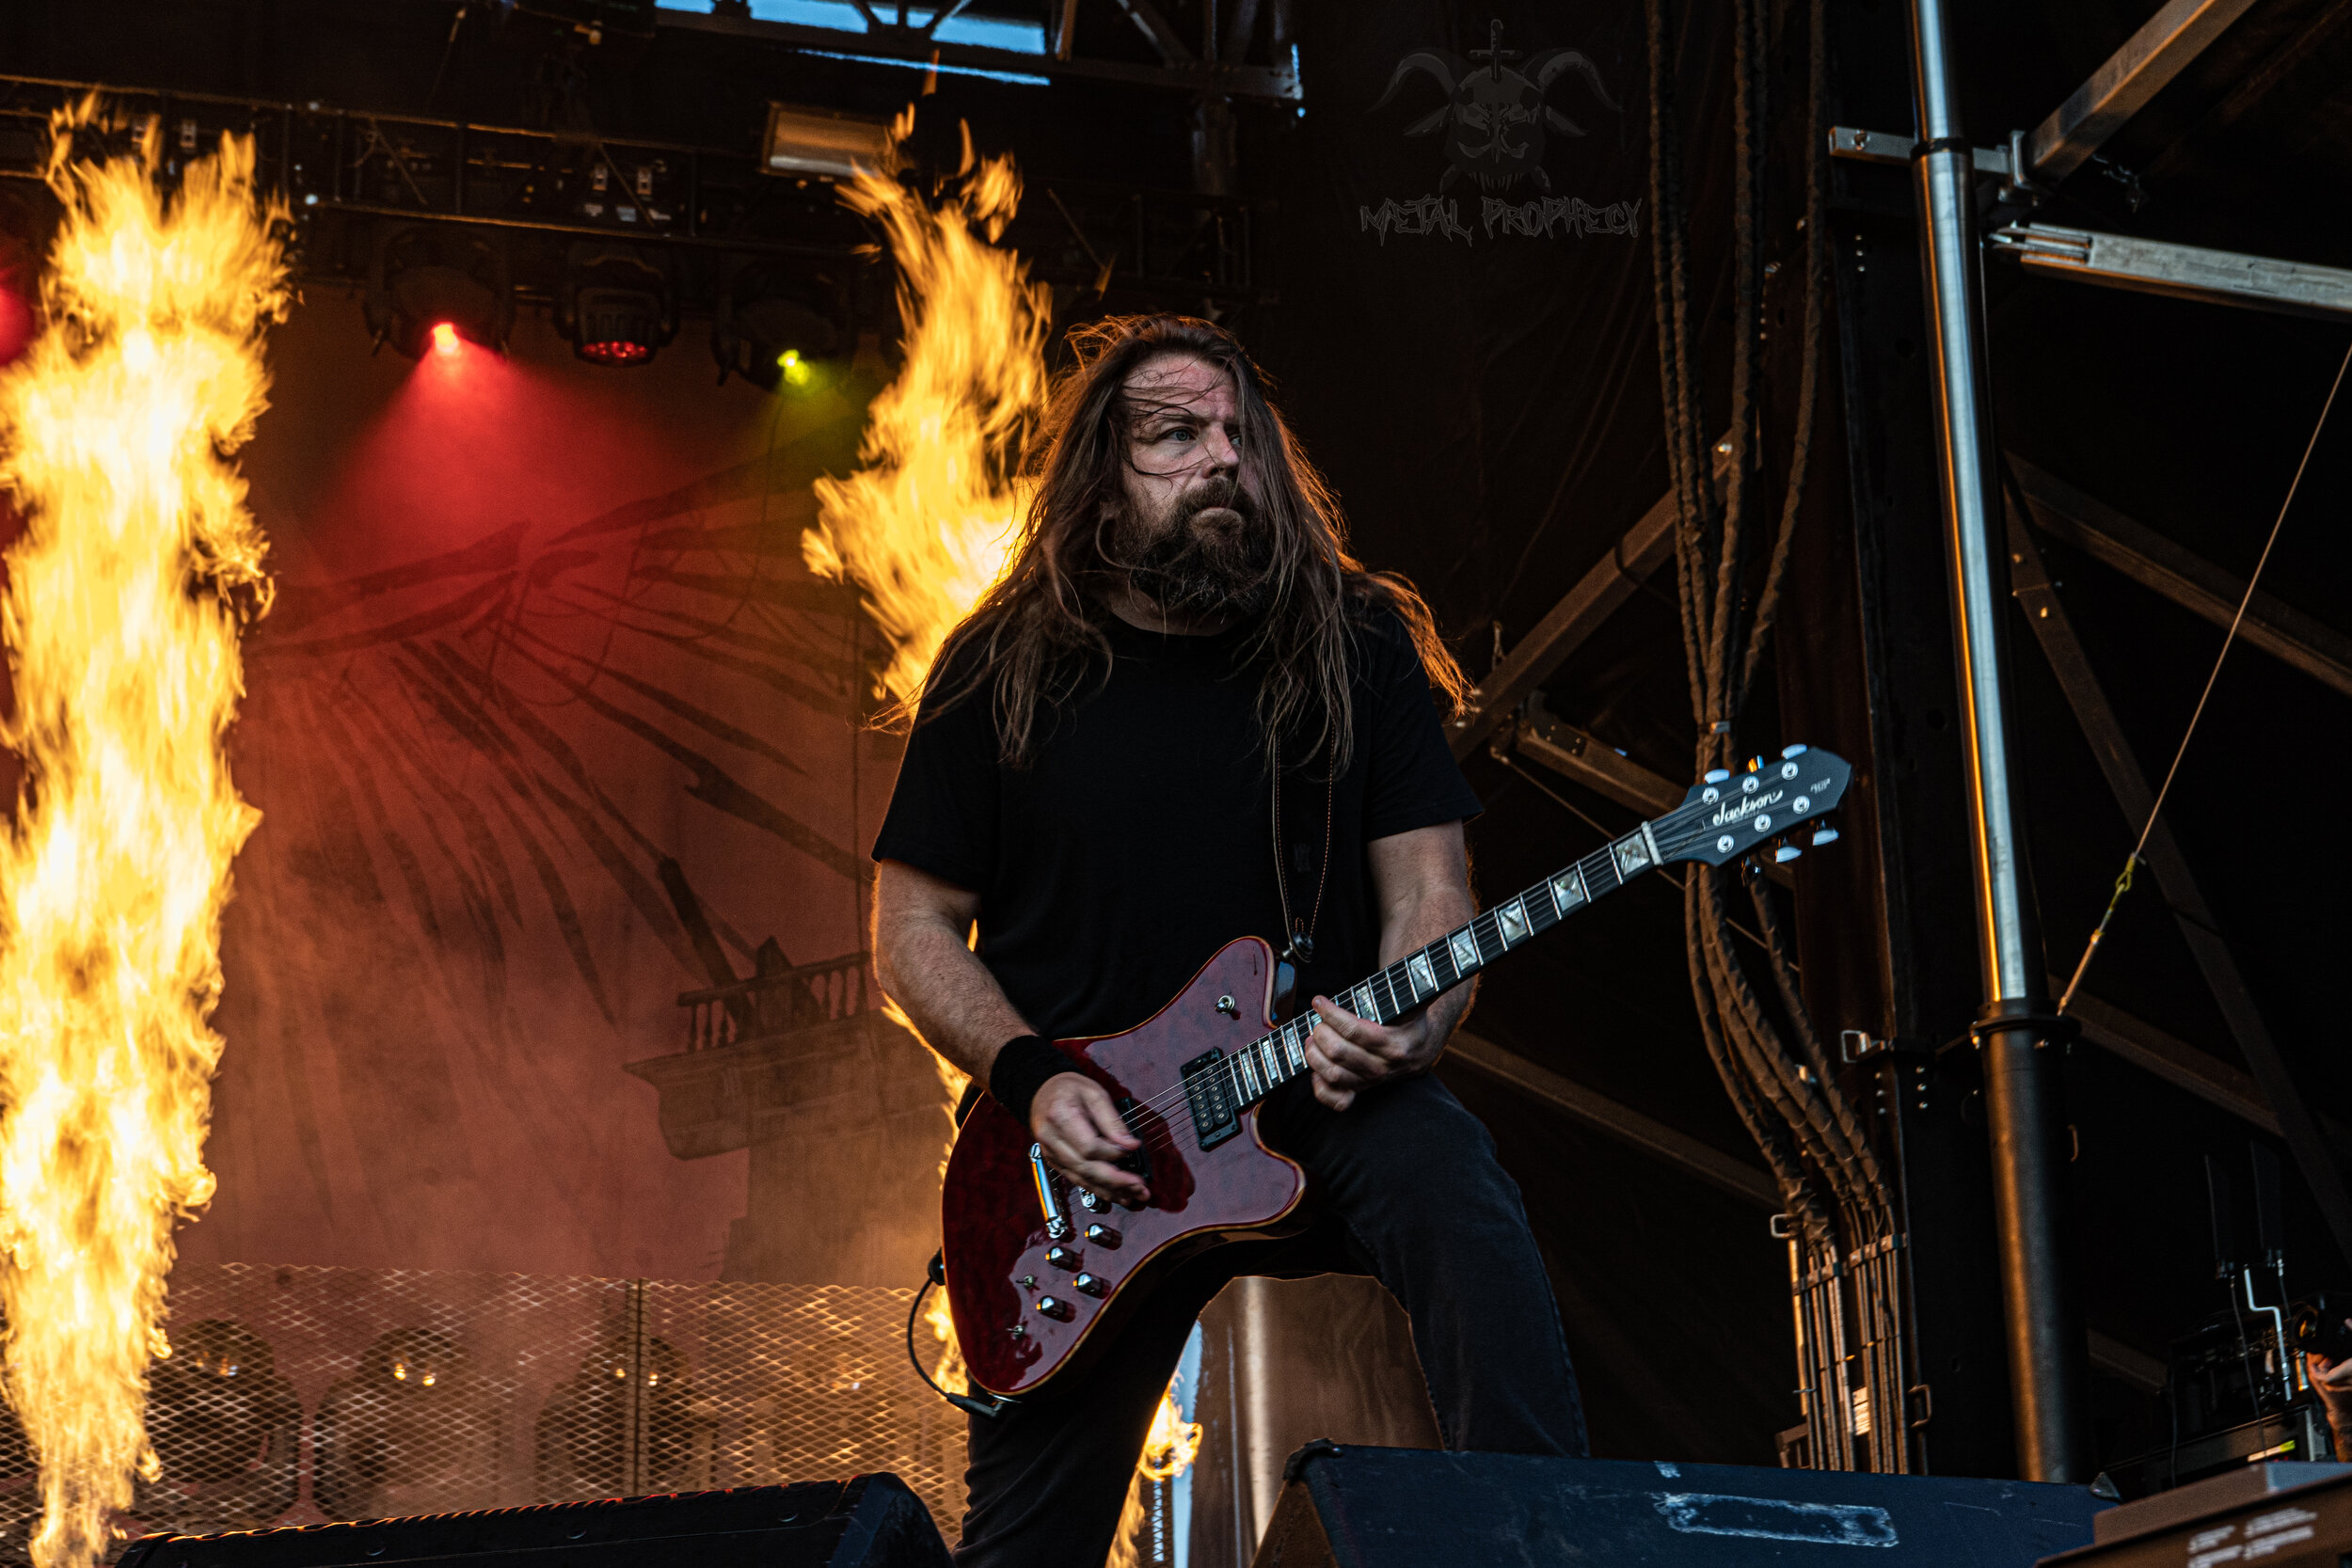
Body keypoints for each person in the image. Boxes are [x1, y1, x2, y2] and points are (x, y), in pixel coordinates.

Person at [870, 313, 1586, 1566]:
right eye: (1175, 437)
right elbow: (911, 930)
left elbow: (1432, 893)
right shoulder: (1003, 664)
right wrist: (1033, 1080)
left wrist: (1417, 1024)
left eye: (1239, 437)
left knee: (1463, 1205)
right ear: (1102, 479)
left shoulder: (1353, 643)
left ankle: (1548, 1541)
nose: (1220, 462)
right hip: (1081, 1162)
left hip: (1309, 1089)